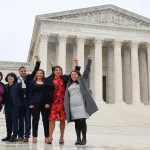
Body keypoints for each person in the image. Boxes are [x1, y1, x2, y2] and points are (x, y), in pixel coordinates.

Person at [44, 60, 81, 144]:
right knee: (52, 119)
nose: (58, 71)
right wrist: (46, 102)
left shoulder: (64, 78)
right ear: (53, 71)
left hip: (63, 102)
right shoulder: (50, 80)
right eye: (56, 70)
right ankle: (50, 136)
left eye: (60, 70)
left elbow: (74, 74)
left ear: (61, 72)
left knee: (62, 120)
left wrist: (77, 66)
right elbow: (46, 92)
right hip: (53, 102)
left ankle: (61, 136)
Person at [64, 56, 98, 145]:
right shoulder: (69, 84)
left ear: (78, 75)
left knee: (82, 121)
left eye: (75, 74)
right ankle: (78, 138)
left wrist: (89, 61)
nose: (73, 75)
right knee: (77, 122)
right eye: (72, 75)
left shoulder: (82, 81)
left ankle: (84, 138)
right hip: (73, 106)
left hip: (82, 105)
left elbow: (87, 71)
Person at [18, 56, 41, 142]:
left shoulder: (28, 78)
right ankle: (20, 135)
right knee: (20, 119)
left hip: (27, 102)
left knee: (27, 119)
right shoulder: (17, 80)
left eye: (24, 71)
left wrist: (38, 62)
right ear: (19, 72)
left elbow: (35, 71)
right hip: (19, 103)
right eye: (22, 71)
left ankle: (27, 135)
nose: (23, 72)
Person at [2, 73, 26, 142]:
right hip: (7, 106)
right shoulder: (5, 86)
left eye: (12, 77)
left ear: (14, 78)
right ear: (7, 78)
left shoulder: (17, 85)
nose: (10, 78)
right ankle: (8, 135)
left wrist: (22, 82)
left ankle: (14, 136)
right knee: (8, 121)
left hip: (15, 106)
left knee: (14, 121)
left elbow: (23, 90)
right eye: (9, 77)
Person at [28, 69, 50, 143]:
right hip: (35, 104)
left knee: (45, 120)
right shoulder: (31, 83)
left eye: (41, 73)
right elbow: (29, 94)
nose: (39, 74)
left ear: (43, 75)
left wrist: (47, 103)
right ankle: (34, 136)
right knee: (35, 120)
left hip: (44, 104)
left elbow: (47, 94)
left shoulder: (46, 83)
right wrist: (30, 103)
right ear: (36, 74)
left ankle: (46, 136)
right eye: (38, 73)